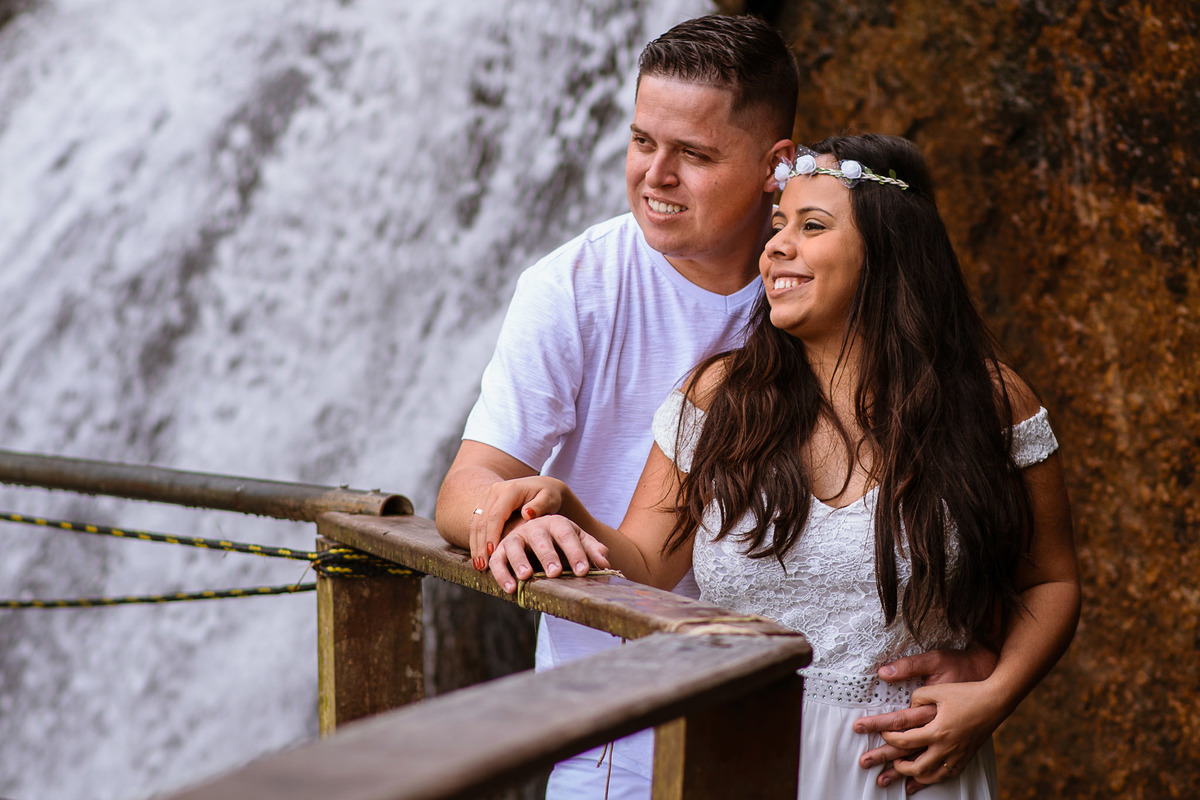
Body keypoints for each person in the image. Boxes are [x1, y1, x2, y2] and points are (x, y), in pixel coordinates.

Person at [477, 134, 1081, 799]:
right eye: (777, 226)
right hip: (742, 755)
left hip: (908, 767)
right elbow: (646, 567)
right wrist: (567, 508)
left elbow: (1049, 580)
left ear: (888, 251)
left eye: (811, 226)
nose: (776, 247)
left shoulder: (989, 404)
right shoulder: (715, 400)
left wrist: (995, 695)